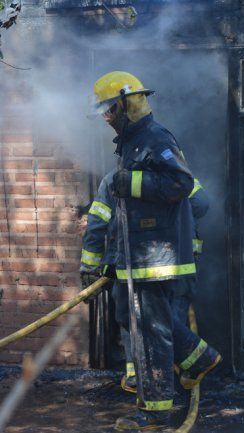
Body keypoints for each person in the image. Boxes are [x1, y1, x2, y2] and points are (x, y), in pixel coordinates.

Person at [83, 71, 220, 430]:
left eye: (109, 109)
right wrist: (113, 260)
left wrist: (131, 181)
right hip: (142, 257)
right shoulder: (132, 144)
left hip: (156, 257)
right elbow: (125, 215)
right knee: (150, 327)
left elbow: (181, 182)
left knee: (153, 333)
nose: (106, 118)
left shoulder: (154, 138)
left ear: (126, 104)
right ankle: (198, 359)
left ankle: (156, 414)